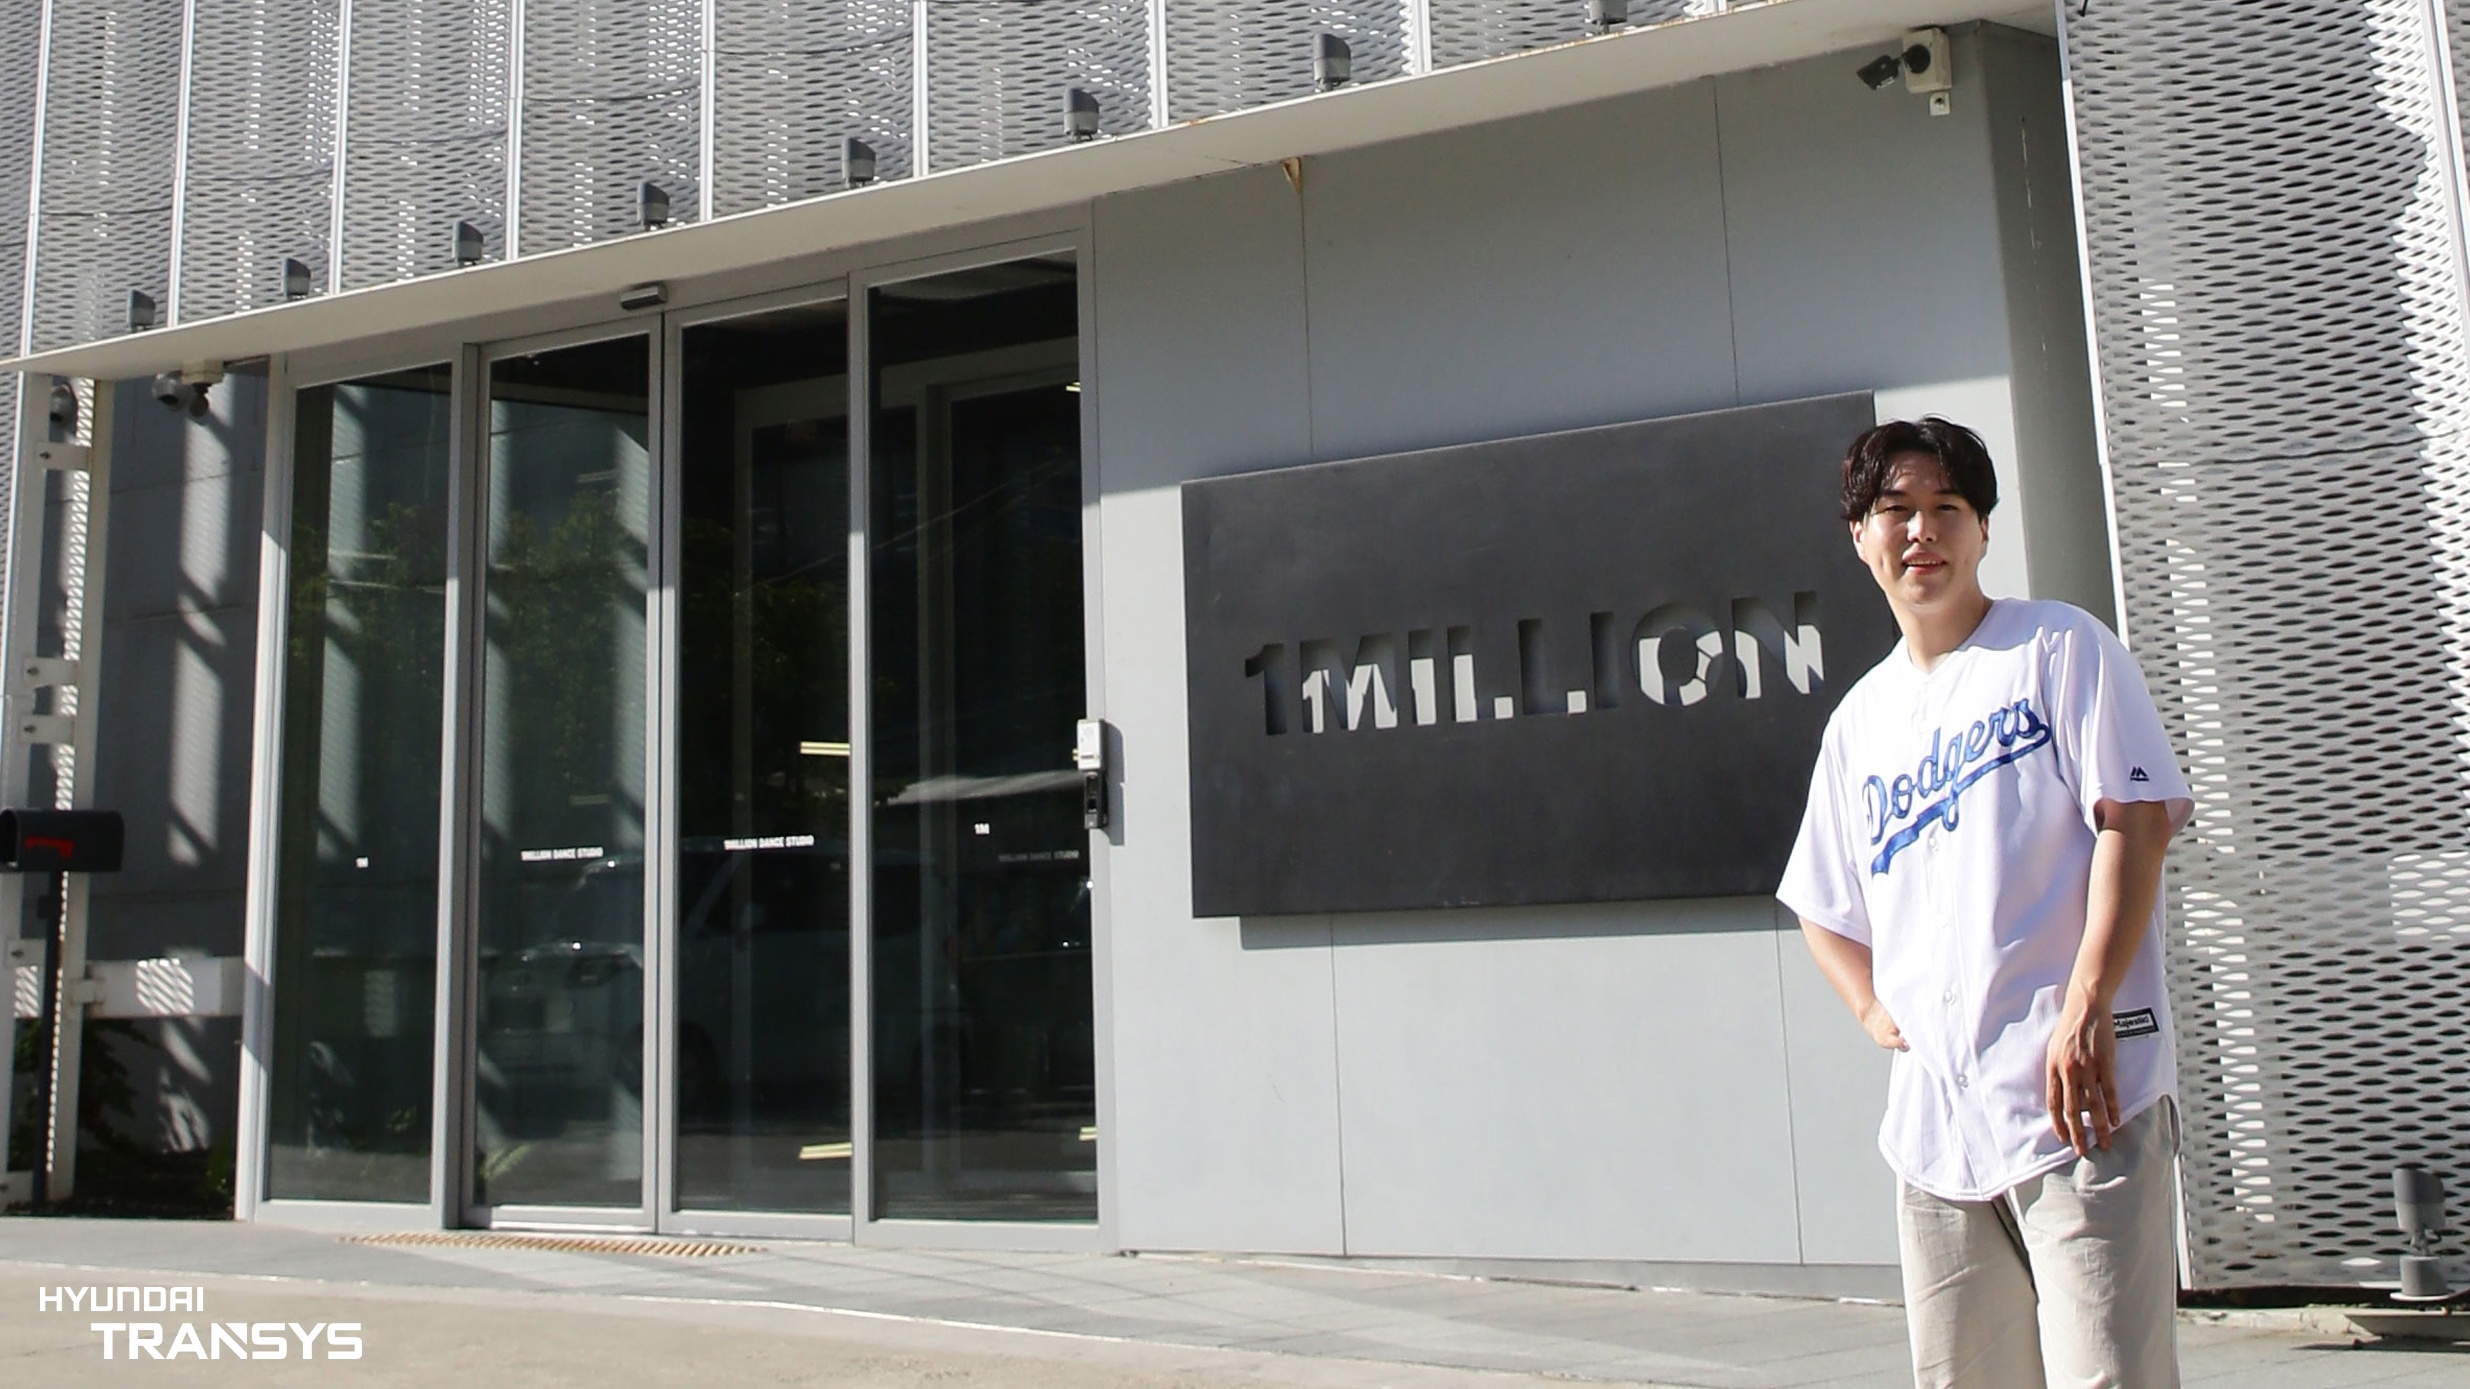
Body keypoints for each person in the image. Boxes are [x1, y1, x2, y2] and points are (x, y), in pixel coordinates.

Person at [1777, 418, 2194, 1389]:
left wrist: (2087, 1001)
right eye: (1895, 511)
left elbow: (2134, 822)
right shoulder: (1860, 722)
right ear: (1859, 535)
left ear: (1983, 529)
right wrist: (1873, 1009)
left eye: (1946, 508)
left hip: (2081, 1107)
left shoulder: (2056, 646)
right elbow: (1820, 901)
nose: (1921, 531)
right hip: (1936, 1135)